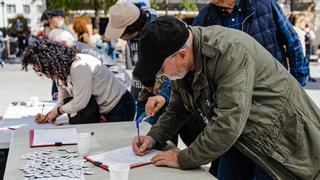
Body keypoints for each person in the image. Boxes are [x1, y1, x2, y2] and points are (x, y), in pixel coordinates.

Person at [131, 16, 320, 180]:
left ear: (182, 55)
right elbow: (178, 109)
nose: (161, 75)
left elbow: (229, 121)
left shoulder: (230, 51)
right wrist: (154, 137)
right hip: (240, 139)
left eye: (162, 69)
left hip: (280, 142)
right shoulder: (183, 64)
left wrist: (184, 158)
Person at [193, 0, 308, 87]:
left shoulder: (265, 4)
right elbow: (194, 61)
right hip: (232, 99)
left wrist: (297, 83)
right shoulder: (204, 17)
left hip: (273, 89)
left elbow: (293, 43)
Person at [22, 39, 135, 124]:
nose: (45, 75)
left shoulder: (78, 66)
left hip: (120, 106)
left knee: (111, 149)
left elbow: (81, 102)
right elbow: (63, 99)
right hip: (106, 108)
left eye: (43, 70)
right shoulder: (61, 72)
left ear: (51, 63)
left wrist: (58, 111)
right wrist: (49, 114)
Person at [105, 2, 170, 125]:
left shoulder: (157, 34)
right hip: (143, 92)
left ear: (130, 28)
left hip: (161, 96)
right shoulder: (137, 32)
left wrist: (162, 96)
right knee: (140, 131)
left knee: (156, 136)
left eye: (121, 33)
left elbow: (170, 75)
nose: (120, 38)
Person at [48, 29, 131, 89]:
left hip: (118, 81)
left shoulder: (79, 53)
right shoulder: (75, 48)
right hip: (116, 80)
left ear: (63, 43)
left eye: (54, 47)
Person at [46, 9, 77, 100]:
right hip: (58, 69)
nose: (49, 19)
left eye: (52, 17)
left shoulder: (66, 32)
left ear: (60, 18)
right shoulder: (57, 30)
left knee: (63, 98)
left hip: (64, 71)